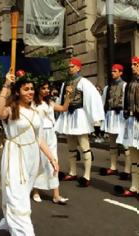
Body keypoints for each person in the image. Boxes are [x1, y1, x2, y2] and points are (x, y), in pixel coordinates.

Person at [0, 72, 59, 236]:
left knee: (22, 194)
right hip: (15, 155)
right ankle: (24, 232)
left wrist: (52, 157)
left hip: (32, 158)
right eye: (26, 89)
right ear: (18, 92)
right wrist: (6, 85)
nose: (30, 92)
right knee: (18, 197)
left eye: (32, 89)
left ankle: (11, 222)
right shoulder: (11, 110)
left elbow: (39, 139)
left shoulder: (35, 112)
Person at [55, 57, 105, 187]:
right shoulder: (64, 83)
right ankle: (72, 172)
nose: (69, 68)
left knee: (84, 146)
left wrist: (95, 120)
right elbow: (61, 99)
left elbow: (92, 99)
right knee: (70, 146)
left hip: (79, 115)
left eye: (72, 66)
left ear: (78, 67)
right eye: (69, 66)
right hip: (68, 116)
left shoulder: (84, 82)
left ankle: (87, 175)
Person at [32, 79, 72, 204]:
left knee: (54, 161)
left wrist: (68, 96)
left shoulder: (50, 102)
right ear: (38, 89)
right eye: (43, 88)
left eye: (47, 88)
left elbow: (64, 108)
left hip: (51, 134)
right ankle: (36, 191)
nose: (46, 90)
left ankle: (56, 195)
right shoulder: (32, 103)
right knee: (39, 162)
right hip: (39, 134)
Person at [99, 64, 131, 180]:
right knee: (112, 143)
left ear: (120, 72)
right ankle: (113, 167)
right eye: (112, 71)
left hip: (122, 116)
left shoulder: (126, 86)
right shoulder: (108, 87)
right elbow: (103, 103)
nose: (112, 73)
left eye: (115, 71)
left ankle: (127, 170)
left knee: (125, 144)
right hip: (111, 116)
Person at [114, 56, 139, 197]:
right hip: (131, 120)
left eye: (135, 64)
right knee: (134, 155)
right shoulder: (130, 83)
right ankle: (134, 186)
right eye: (132, 65)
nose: (133, 67)